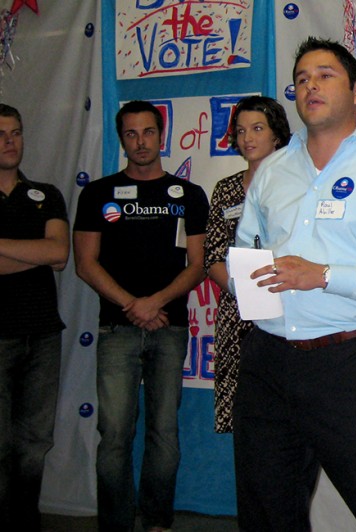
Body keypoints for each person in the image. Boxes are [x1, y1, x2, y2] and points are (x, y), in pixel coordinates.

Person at [232, 36, 356, 530]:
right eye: (301, 79)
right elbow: (249, 252)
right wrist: (249, 285)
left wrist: (321, 276)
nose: (310, 86)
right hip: (267, 362)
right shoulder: (273, 171)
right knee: (265, 511)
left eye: (325, 75)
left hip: (349, 365)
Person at [73, 100, 209, 531]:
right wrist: (134, 304)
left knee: (164, 433)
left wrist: (156, 303)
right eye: (131, 134)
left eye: (148, 132)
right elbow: (85, 262)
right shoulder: (98, 193)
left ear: (161, 134)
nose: (141, 141)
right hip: (117, 329)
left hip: (169, 329)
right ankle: (114, 524)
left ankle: (158, 522)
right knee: (114, 435)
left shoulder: (188, 195)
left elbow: (198, 264)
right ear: (121, 139)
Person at [0, 104, 70, 531]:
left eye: (16, 132)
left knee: (33, 443)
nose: (10, 141)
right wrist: (33, 251)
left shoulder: (46, 194)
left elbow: (58, 254)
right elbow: (42, 253)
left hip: (42, 335)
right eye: (1, 133)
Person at [203, 96, 291, 434]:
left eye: (257, 129)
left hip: (287, 308)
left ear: (276, 136)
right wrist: (243, 293)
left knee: (283, 416)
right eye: (240, 131)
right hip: (237, 311)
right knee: (244, 417)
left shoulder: (296, 188)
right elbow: (212, 255)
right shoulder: (225, 190)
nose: (247, 138)